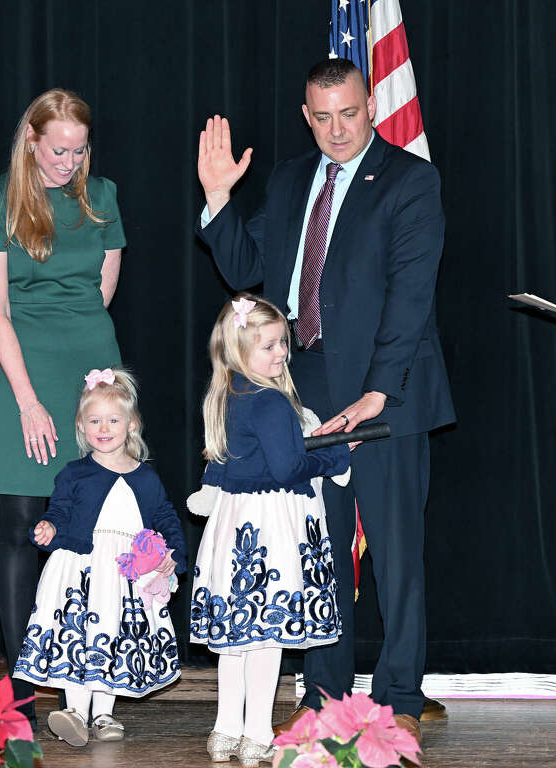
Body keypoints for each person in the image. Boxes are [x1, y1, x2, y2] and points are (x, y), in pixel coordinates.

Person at [195, 58, 455, 744]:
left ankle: (399, 695)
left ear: (371, 107)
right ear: (305, 115)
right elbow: (249, 274)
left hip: (386, 395)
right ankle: (323, 697)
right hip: (301, 395)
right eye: (323, 116)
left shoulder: (410, 179)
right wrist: (220, 200)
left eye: (349, 112)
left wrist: (379, 389)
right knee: (318, 551)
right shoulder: (285, 179)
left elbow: (411, 296)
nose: (337, 129)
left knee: (396, 554)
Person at [0, 88, 125, 726]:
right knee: (22, 525)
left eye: (78, 151)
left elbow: (102, 291)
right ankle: (24, 692)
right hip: (16, 367)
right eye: (58, 150)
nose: (68, 162)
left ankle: (88, 683)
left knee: (95, 525)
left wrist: (91, 379)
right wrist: (28, 403)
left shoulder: (103, 196)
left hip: (89, 366)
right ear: (30, 140)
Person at [187, 296, 351, 766]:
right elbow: (288, 468)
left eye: (282, 343)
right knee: (266, 636)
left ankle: (224, 731)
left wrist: (315, 444)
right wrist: (336, 454)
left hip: (235, 524)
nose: (281, 353)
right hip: (269, 527)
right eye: (269, 346)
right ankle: (257, 732)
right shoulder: (272, 403)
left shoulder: (228, 394)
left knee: (239, 638)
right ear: (240, 351)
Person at [12, 367, 186, 746]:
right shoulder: (74, 474)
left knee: (111, 635)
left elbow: (166, 518)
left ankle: (104, 715)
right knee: (80, 634)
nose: (103, 428)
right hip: (81, 569)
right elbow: (57, 511)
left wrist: (173, 552)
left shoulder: (145, 477)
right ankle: (74, 712)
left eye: (112, 419)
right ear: (81, 425)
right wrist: (49, 528)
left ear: (131, 424)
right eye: (94, 420)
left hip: (123, 573)